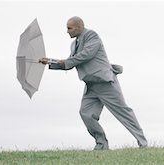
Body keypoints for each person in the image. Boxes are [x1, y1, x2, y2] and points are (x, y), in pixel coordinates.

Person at [40, 16, 148, 150]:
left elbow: (86, 55)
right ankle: (101, 145)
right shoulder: (74, 44)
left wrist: (65, 61)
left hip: (105, 83)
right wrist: (50, 61)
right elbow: (69, 64)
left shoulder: (91, 35)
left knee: (123, 112)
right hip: (91, 86)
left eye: (69, 28)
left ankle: (143, 143)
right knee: (86, 114)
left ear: (79, 27)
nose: (67, 31)